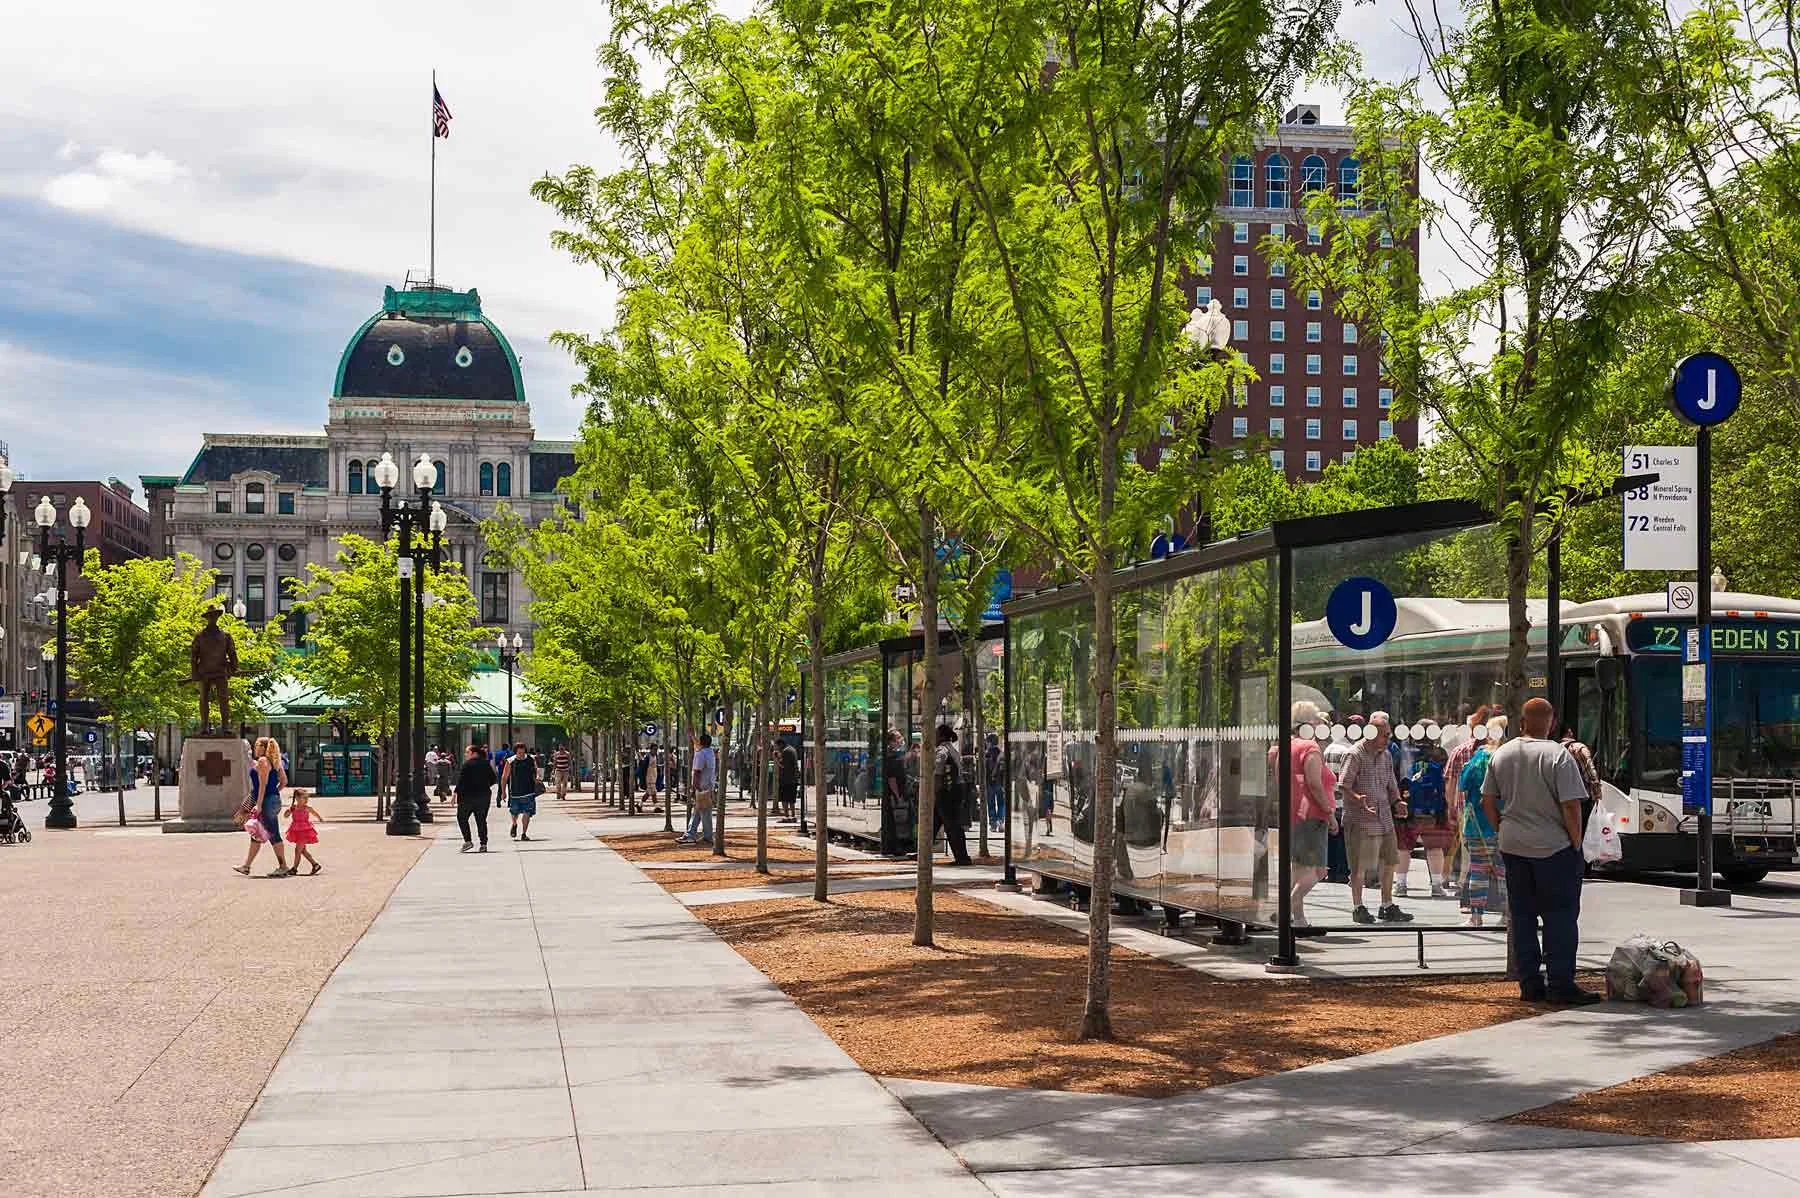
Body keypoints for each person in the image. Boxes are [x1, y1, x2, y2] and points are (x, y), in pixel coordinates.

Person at [1482, 697, 1602, 1005]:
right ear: (1551, 723)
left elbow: (1487, 801)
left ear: (1522, 722)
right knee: (1560, 917)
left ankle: (1530, 985)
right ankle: (1560, 984)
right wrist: (1576, 843)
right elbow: (1571, 806)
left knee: (1522, 916)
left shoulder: (1502, 753)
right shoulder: (1558, 755)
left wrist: (1501, 828)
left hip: (1513, 846)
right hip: (1554, 847)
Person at [1335, 712, 1412, 924]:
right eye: (1384, 735)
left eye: (1389, 735)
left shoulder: (1386, 755)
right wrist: (1357, 798)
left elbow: (1391, 783)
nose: (1388, 739)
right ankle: (1358, 907)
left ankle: (1386, 905)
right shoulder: (1355, 754)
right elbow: (1342, 785)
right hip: (1361, 820)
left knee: (1389, 862)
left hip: (1384, 818)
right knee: (1359, 867)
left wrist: (1398, 801)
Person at [1274, 702, 1337, 928]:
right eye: (1318, 720)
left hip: (1293, 814)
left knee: (1299, 869)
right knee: (1315, 871)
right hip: (1312, 815)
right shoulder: (1311, 748)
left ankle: (1298, 919)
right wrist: (1329, 813)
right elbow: (1314, 783)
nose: (1321, 724)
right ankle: (1286, 907)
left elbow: (1280, 781)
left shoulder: (1286, 746)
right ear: (1309, 722)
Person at [1459, 724, 1504, 927]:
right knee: (1505, 872)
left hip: (1477, 823)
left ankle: (1476, 916)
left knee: (1478, 869)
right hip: (1505, 822)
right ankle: (1507, 916)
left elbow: (1463, 784)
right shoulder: (1509, 757)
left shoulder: (1479, 757)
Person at [236, 737, 292, 878]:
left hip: (265, 802)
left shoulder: (263, 761)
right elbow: (284, 781)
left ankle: (283, 866)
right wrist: (274, 793)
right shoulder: (275, 762)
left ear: (263, 747)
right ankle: (246, 866)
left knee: (273, 833)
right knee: (257, 833)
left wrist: (259, 804)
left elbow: (262, 785)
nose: (255, 747)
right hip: (272, 800)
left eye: (257, 745)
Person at [1402, 745, 1453, 899]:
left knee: (1404, 849)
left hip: (1412, 814)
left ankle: (1400, 885)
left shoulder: (1411, 768)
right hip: (1432, 815)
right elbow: (1443, 791)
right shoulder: (1437, 769)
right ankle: (1436, 886)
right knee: (1435, 849)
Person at [931, 725, 973, 866]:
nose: (934, 737)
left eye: (936, 734)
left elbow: (938, 774)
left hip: (947, 791)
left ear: (942, 736)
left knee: (952, 825)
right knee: (934, 822)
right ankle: (922, 852)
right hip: (955, 790)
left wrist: (934, 793)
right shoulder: (952, 749)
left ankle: (962, 858)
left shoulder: (942, 750)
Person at [456, 743, 498, 852]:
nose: (465, 754)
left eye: (467, 752)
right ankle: (483, 844)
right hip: (483, 796)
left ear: (474, 753)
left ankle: (468, 841)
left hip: (467, 797)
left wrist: (456, 794)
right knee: (481, 820)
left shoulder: (467, 764)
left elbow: (461, 781)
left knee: (462, 817)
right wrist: (484, 786)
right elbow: (493, 779)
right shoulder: (486, 764)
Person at [680, 733, 717, 845]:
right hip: (708, 786)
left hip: (701, 787)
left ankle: (707, 836)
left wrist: (694, 787)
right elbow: (697, 746)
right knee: (698, 811)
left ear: (701, 743)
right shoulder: (710, 752)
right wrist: (692, 737)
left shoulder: (700, 754)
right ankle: (690, 834)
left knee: (704, 812)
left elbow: (697, 772)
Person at [502, 742, 540, 841]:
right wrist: (503, 792)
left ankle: (524, 833)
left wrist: (537, 778)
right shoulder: (510, 761)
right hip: (515, 793)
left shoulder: (531, 759)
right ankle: (514, 824)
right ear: (515, 752)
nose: (521, 755)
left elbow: (536, 770)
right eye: (519, 753)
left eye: (523, 753)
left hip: (529, 791)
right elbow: (504, 777)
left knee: (527, 812)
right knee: (514, 813)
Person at [286, 789, 322, 874]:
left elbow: (315, 813)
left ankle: (294, 868)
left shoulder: (307, 808)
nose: (306, 800)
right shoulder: (294, 808)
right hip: (296, 830)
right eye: (304, 798)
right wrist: (289, 811)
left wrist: (320, 818)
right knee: (302, 850)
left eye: (307, 798)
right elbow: (285, 816)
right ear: (297, 798)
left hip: (304, 831)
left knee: (297, 850)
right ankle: (315, 865)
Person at [983, 733, 1005, 828]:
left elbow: (984, 769)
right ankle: (1001, 821)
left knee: (991, 803)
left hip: (989, 782)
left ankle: (993, 823)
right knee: (1001, 802)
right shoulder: (1001, 753)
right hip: (1000, 782)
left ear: (989, 742)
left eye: (987, 742)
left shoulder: (986, 754)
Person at [778, 737, 801, 822]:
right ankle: (793, 816)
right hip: (793, 779)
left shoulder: (785, 751)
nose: (777, 748)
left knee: (784, 799)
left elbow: (783, 765)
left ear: (781, 744)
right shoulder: (792, 749)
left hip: (786, 779)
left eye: (777, 746)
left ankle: (787, 816)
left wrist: (777, 758)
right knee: (791, 799)